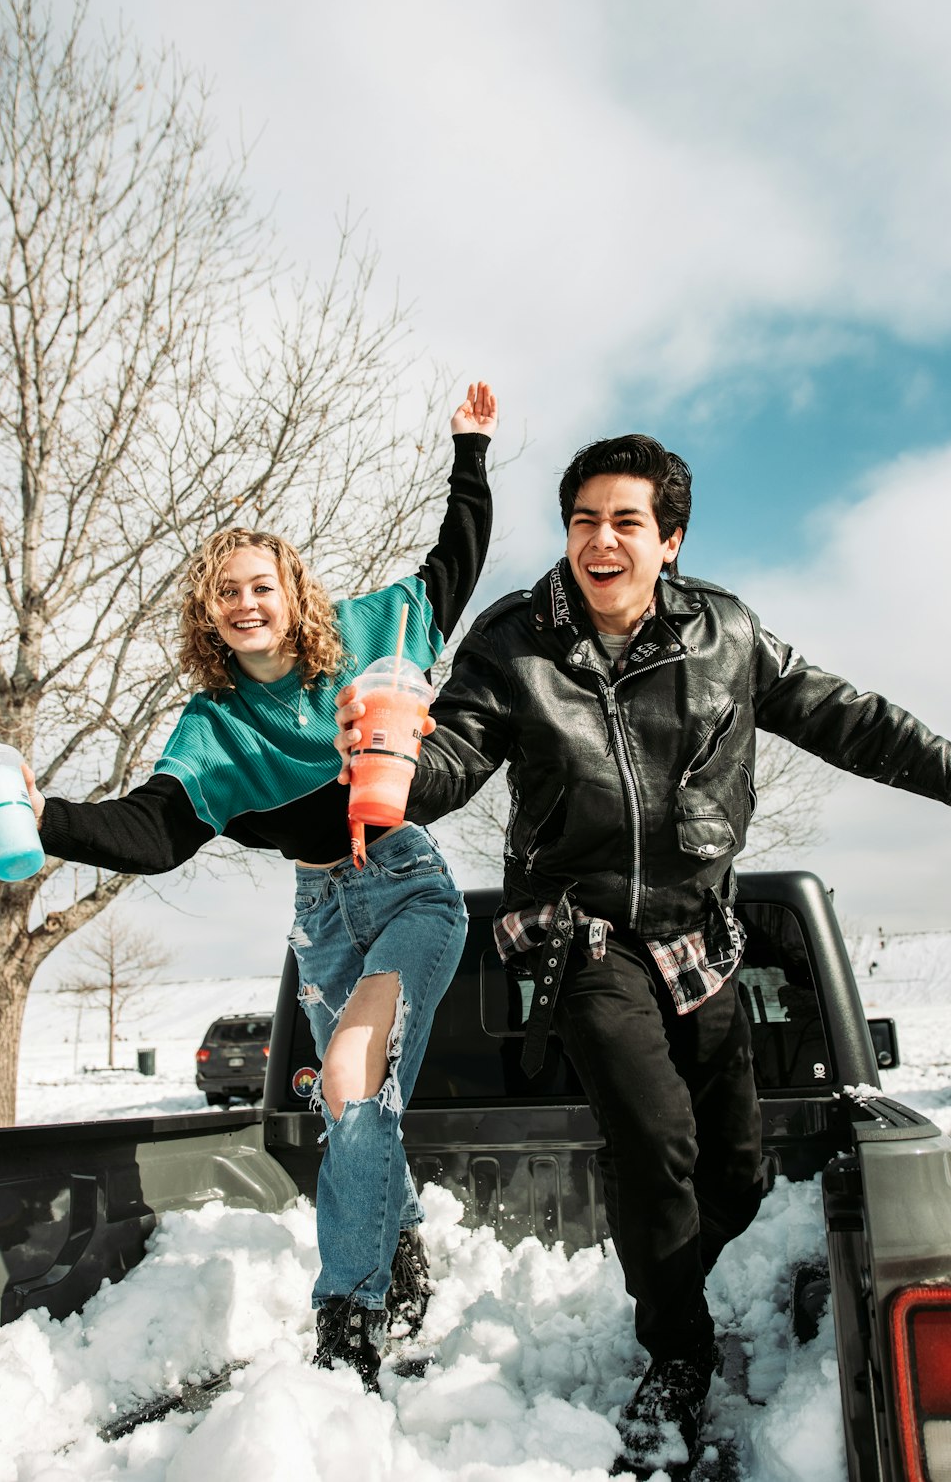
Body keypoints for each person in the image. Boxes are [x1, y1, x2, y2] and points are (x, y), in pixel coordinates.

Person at [335, 431, 951, 1469]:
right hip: (580, 933)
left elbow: (847, 719)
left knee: (738, 1165)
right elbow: (452, 758)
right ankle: (676, 1354)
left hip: (699, 929)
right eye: (583, 522)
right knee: (652, 1137)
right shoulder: (514, 640)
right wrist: (390, 761)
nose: (600, 541)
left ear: (669, 540)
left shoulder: (726, 633)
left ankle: (682, 1275)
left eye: (625, 522)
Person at [0, 382, 497, 1392]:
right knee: (356, 1112)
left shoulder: (375, 633)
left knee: (350, 1078)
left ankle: (348, 1317)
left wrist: (470, 453)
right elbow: (153, 833)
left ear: (292, 591)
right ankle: (403, 1244)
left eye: (261, 583)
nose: (246, 602)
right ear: (208, 613)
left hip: (406, 888)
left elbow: (452, 562)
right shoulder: (213, 728)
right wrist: (42, 814)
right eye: (225, 592)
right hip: (319, 918)